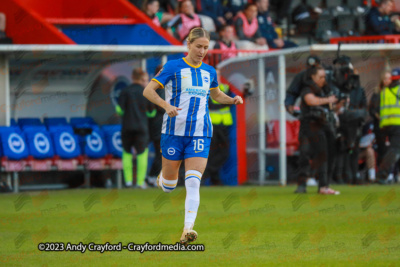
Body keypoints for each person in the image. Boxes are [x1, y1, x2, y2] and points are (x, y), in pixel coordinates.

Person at [143, 27, 243, 245]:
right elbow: (148, 91)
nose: (202, 51)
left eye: (206, 48)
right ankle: (163, 178)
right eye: (198, 46)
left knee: (193, 183)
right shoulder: (172, 66)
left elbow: (216, 95)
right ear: (188, 45)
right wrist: (165, 104)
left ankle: (187, 230)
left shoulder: (209, 72)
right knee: (169, 186)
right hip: (173, 133)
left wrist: (232, 99)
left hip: (200, 133)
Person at [297, 65, 340, 195]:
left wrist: (338, 102)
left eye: (324, 76)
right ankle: (312, 185)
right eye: (320, 76)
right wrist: (328, 100)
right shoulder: (307, 88)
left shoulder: (325, 89)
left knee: (329, 153)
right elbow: (310, 101)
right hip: (311, 124)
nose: (323, 79)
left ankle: (324, 184)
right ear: (313, 77)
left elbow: (332, 106)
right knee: (319, 154)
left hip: (324, 124)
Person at [286, 55, 321, 194]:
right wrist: (289, 105)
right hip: (307, 119)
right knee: (304, 153)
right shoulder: (302, 77)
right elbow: (291, 93)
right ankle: (302, 183)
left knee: (322, 153)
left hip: (323, 121)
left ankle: (323, 183)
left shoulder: (325, 77)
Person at [116, 68, 154, 189]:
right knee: (142, 154)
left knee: (127, 153)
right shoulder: (146, 92)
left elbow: (119, 110)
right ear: (142, 78)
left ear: (132, 77)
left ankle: (127, 181)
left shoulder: (125, 91)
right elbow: (151, 113)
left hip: (127, 127)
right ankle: (140, 182)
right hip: (142, 127)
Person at [203, 69, 234, 185]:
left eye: (218, 74)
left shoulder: (225, 87)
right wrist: (225, 102)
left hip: (224, 125)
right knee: (211, 152)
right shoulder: (205, 89)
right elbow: (211, 104)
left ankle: (211, 174)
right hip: (211, 125)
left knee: (223, 153)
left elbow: (232, 101)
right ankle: (211, 176)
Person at [376, 66, 400, 184]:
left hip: (386, 125)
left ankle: (389, 174)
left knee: (391, 150)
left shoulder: (384, 91)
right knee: (394, 150)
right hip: (397, 124)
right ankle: (382, 174)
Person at [147, 65, 165, 186]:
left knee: (163, 154)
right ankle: (152, 177)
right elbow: (160, 107)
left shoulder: (159, 87)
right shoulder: (158, 87)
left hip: (159, 126)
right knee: (161, 154)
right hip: (158, 126)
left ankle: (154, 176)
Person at [369, 70, 391, 167]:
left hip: (393, 126)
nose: (387, 81)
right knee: (382, 150)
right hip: (380, 127)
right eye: (385, 79)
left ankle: (392, 174)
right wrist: (380, 118)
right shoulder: (377, 93)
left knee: (392, 149)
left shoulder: (395, 91)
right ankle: (381, 173)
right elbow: (372, 110)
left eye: (389, 78)